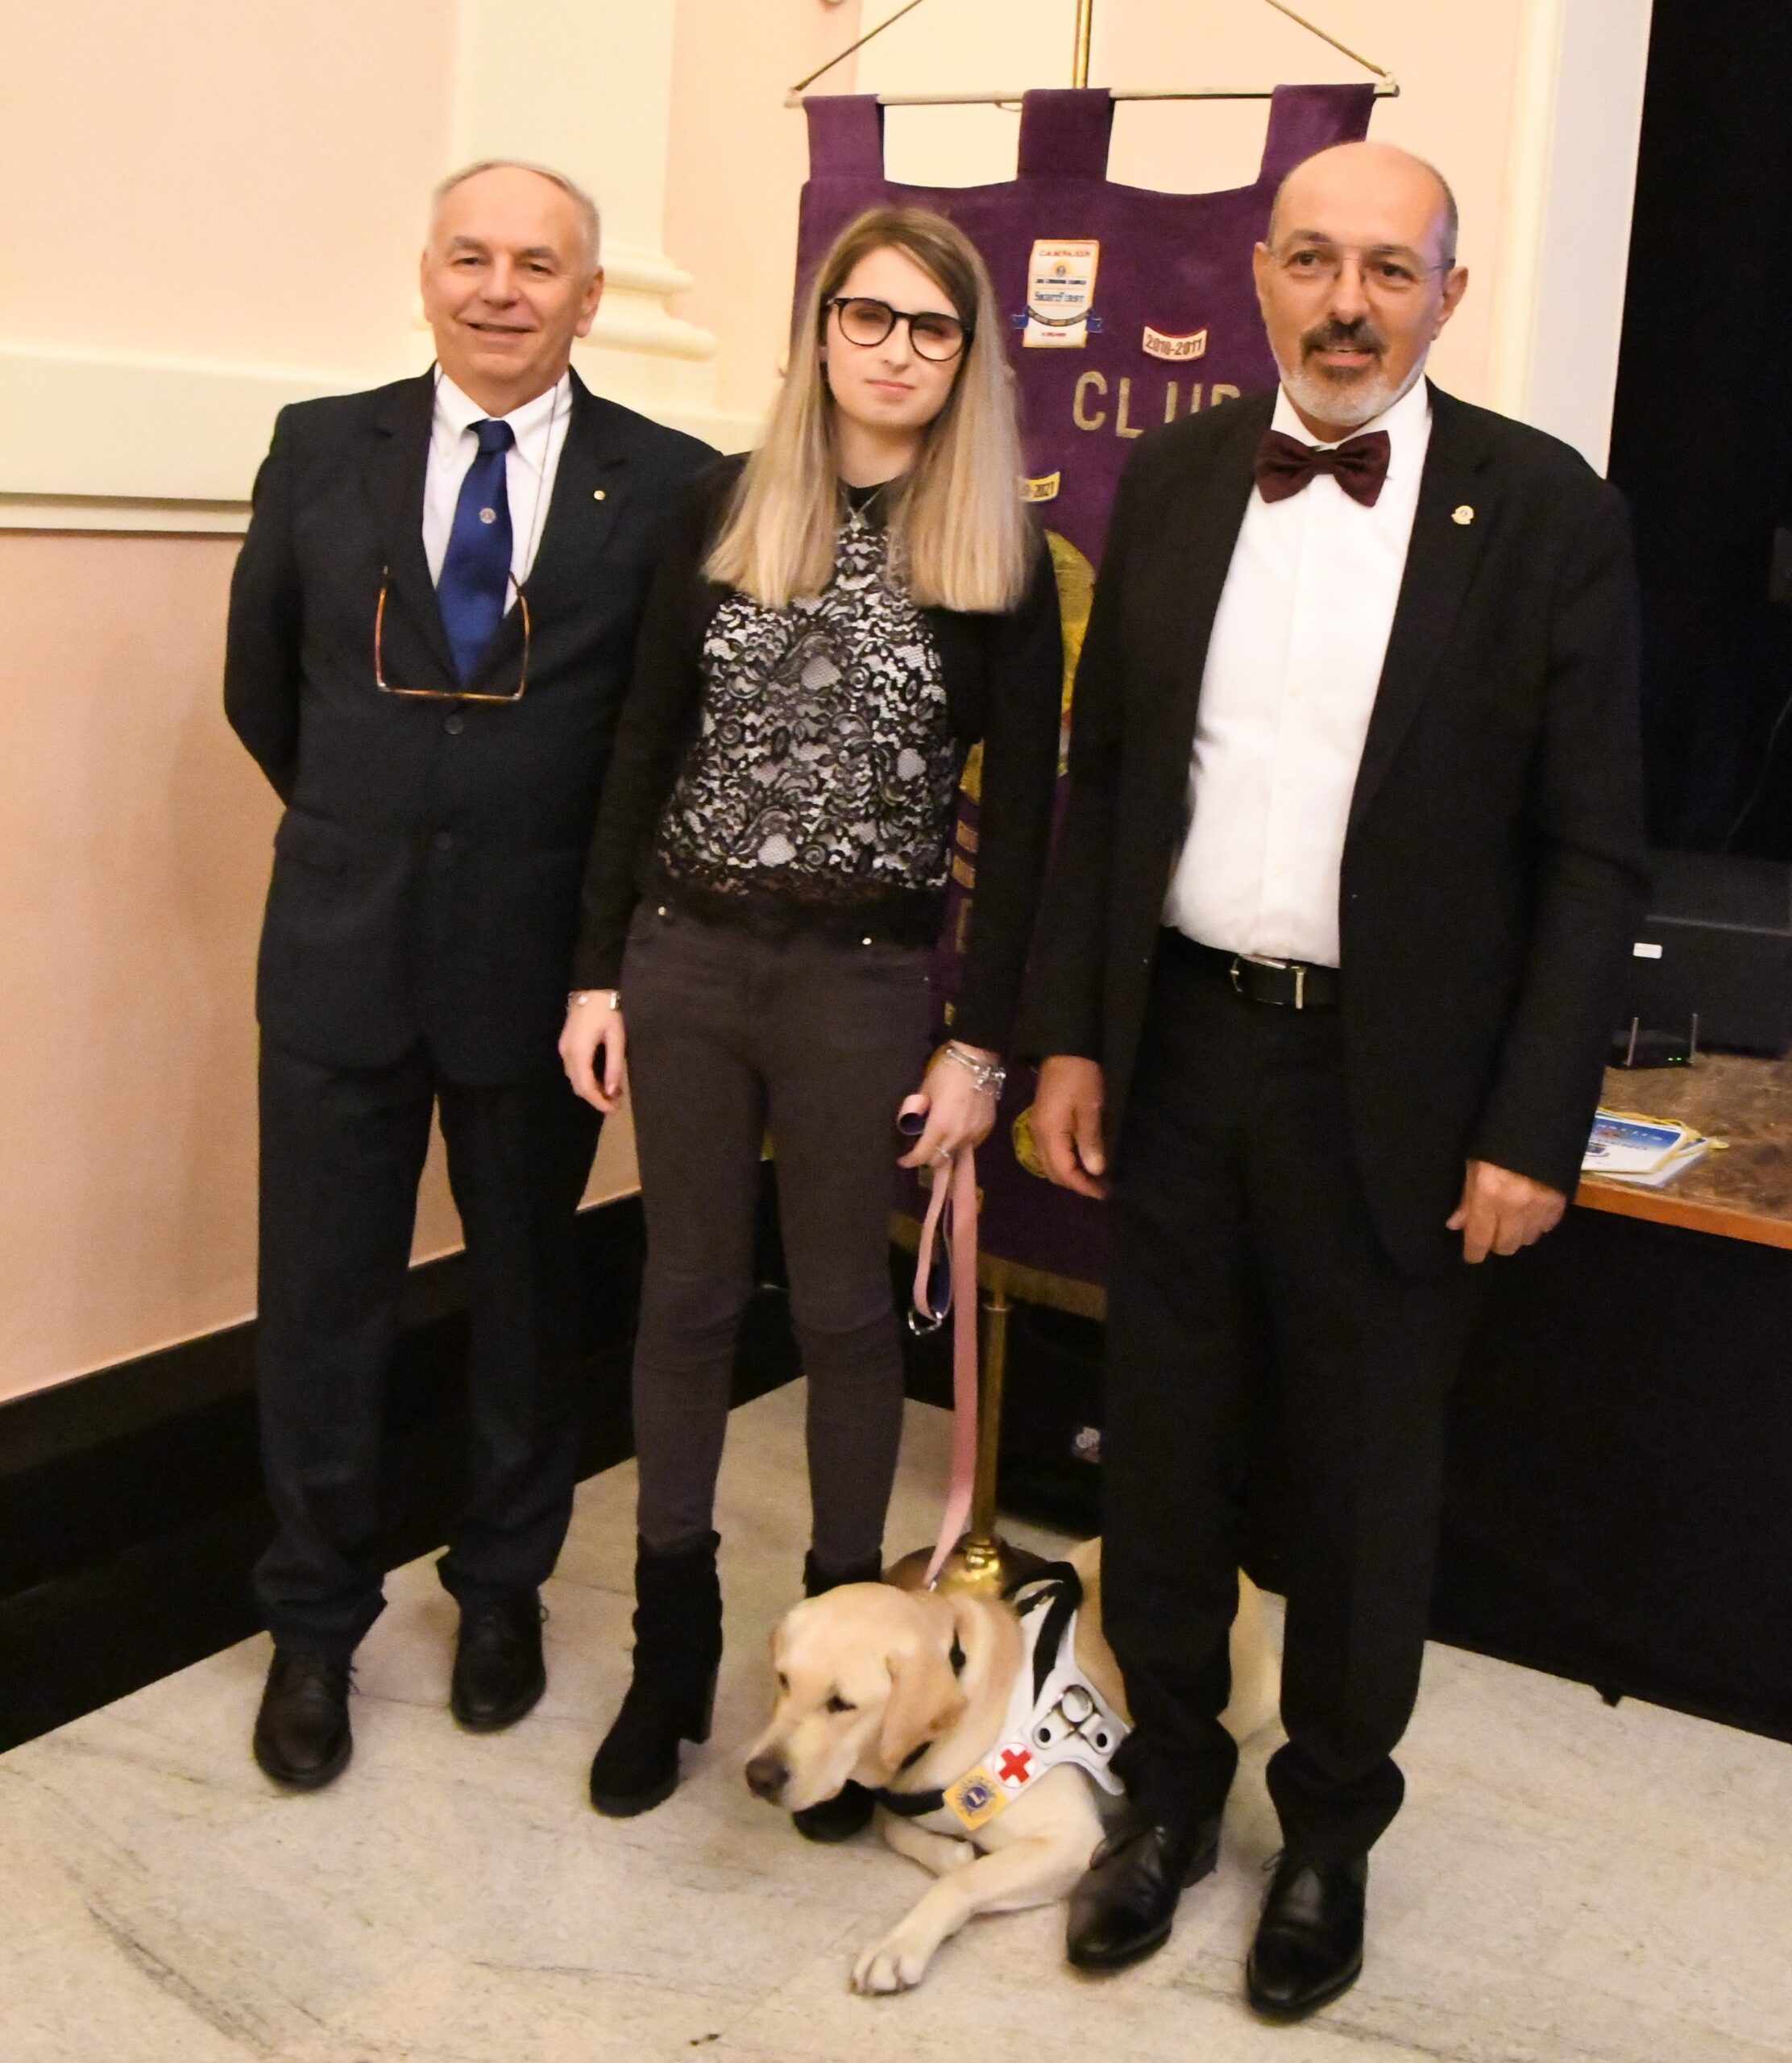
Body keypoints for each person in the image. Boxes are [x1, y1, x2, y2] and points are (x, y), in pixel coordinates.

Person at [1023, 142, 1648, 2018]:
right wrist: (1071, 1028)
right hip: (1178, 1040)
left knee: (1368, 1479)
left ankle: (1327, 1830)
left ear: (1447, 292)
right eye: (1313, 259)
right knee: (1165, 1445)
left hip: (1399, 1081)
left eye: (1388, 266)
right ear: (1259, 274)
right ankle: (1169, 1790)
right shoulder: (1176, 477)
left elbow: (1591, 855)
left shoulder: (1545, 510)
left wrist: (1529, 1124)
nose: (1346, 302)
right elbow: (1106, 781)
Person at [560, 205, 1063, 1833]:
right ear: (823, 328)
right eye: (869, 316)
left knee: (845, 1309)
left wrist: (980, 1045)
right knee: (688, 1291)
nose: (895, 351)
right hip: (686, 963)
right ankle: (671, 1661)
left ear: (966, 357)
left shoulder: (998, 556)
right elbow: (640, 747)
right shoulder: (721, 507)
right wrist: (594, 970)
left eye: (932, 327)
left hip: (861, 983)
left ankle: (853, 1663)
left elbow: (1029, 828)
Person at [226, 160, 714, 1790]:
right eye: (471, 257)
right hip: (339, 952)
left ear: (591, 295)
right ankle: (313, 1621)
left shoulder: (671, 482)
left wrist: (589, 934)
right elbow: (262, 687)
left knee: (526, 1296)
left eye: (539, 265)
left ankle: (501, 1586)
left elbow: (659, 731)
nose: (501, 290)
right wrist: (376, 826)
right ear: (426, 273)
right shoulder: (319, 445)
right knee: (321, 1304)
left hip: (542, 968)